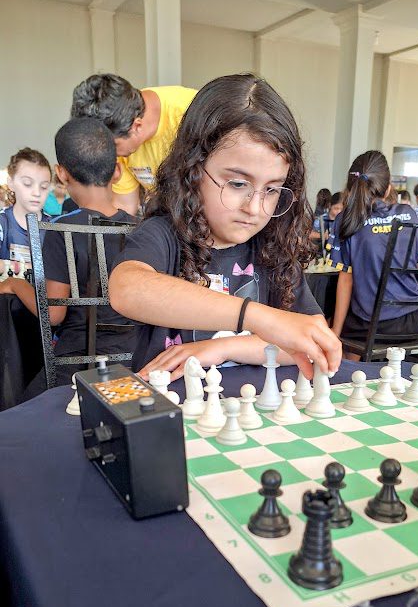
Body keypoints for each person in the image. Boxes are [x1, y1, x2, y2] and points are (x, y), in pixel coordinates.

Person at [108, 74, 342, 380]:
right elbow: (127, 289)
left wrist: (224, 347)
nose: (255, 209)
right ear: (192, 169)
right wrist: (256, 318)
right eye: (237, 183)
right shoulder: (163, 235)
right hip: (175, 414)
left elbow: (310, 338)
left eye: (272, 190)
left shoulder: (272, 247)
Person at [0, 118, 138, 394]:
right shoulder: (140, 230)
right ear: (118, 172)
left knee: (17, 414)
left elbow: (53, 315)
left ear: (60, 174)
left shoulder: (59, 229)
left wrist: (16, 284)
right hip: (133, 362)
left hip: (74, 366)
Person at [327, 150, 418, 346]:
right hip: (414, 318)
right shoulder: (409, 213)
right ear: (388, 189)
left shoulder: (346, 220)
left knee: (342, 336)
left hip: (371, 323)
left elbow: (346, 281)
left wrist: (336, 332)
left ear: (350, 189)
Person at [71, 74, 197, 216]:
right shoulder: (114, 133)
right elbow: (125, 205)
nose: (107, 153)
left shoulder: (192, 114)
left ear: (136, 126)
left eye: (111, 146)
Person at [0, 148, 51, 271]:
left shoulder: (53, 227)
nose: (37, 193)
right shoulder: (2, 223)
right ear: (11, 183)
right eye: (27, 184)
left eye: (44, 187)